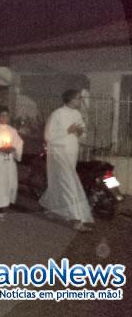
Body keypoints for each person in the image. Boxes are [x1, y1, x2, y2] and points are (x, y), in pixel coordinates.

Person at [39, 89, 94, 232]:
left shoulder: (77, 114)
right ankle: (77, 219)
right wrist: (67, 131)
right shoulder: (57, 114)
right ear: (69, 99)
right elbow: (48, 136)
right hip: (58, 152)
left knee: (60, 181)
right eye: (77, 98)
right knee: (69, 182)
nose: (79, 101)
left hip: (72, 152)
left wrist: (80, 133)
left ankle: (51, 207)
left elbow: (83, 134)